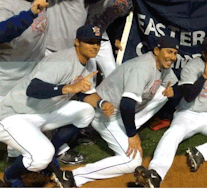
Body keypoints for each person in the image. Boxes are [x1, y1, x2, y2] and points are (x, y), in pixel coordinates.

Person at [0, 0, 78, 187]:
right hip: (0, 73)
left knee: (21, 118)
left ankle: (19, 161)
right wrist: (30, 14)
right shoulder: (3, 1)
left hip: (25, 73)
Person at [0, 24, 112, 188]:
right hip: (14, 116)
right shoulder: (60, 61)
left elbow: (87, 94)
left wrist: (102, 103)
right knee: (42, 156)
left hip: (42, 113)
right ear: (77, 42)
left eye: (97, 42)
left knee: (86, 111)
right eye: (90, 42)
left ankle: (51, 154)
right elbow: (33, 89)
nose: (95, 46)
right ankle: (11, 174)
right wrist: (68, 88)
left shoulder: (90, 64)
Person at [135, 36, 207, 188]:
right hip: (189, 114)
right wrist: (204, 75)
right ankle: (155, 173)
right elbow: (189, 96)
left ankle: (201, 153)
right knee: (174, 132)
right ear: (204, 54)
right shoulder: (192, 66)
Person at [71, 36, 180, 187]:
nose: (172, 57)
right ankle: (73, 176)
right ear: (156, 51)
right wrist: (132, 134)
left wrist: (173, 90)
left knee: (164, 92)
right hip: (105, 114)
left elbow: (176, 85)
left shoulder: (163, 66)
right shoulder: (142, 67)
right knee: (132, 161)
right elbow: (127, 104)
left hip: (121, 111)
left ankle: (126, 125)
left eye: (175, 53)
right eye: (169, 52)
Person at [85, 0, 146, 77]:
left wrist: (115, 39)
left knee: (112, 74)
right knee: (89, 76)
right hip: (85, 33)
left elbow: (116, 21)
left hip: (101, 35)